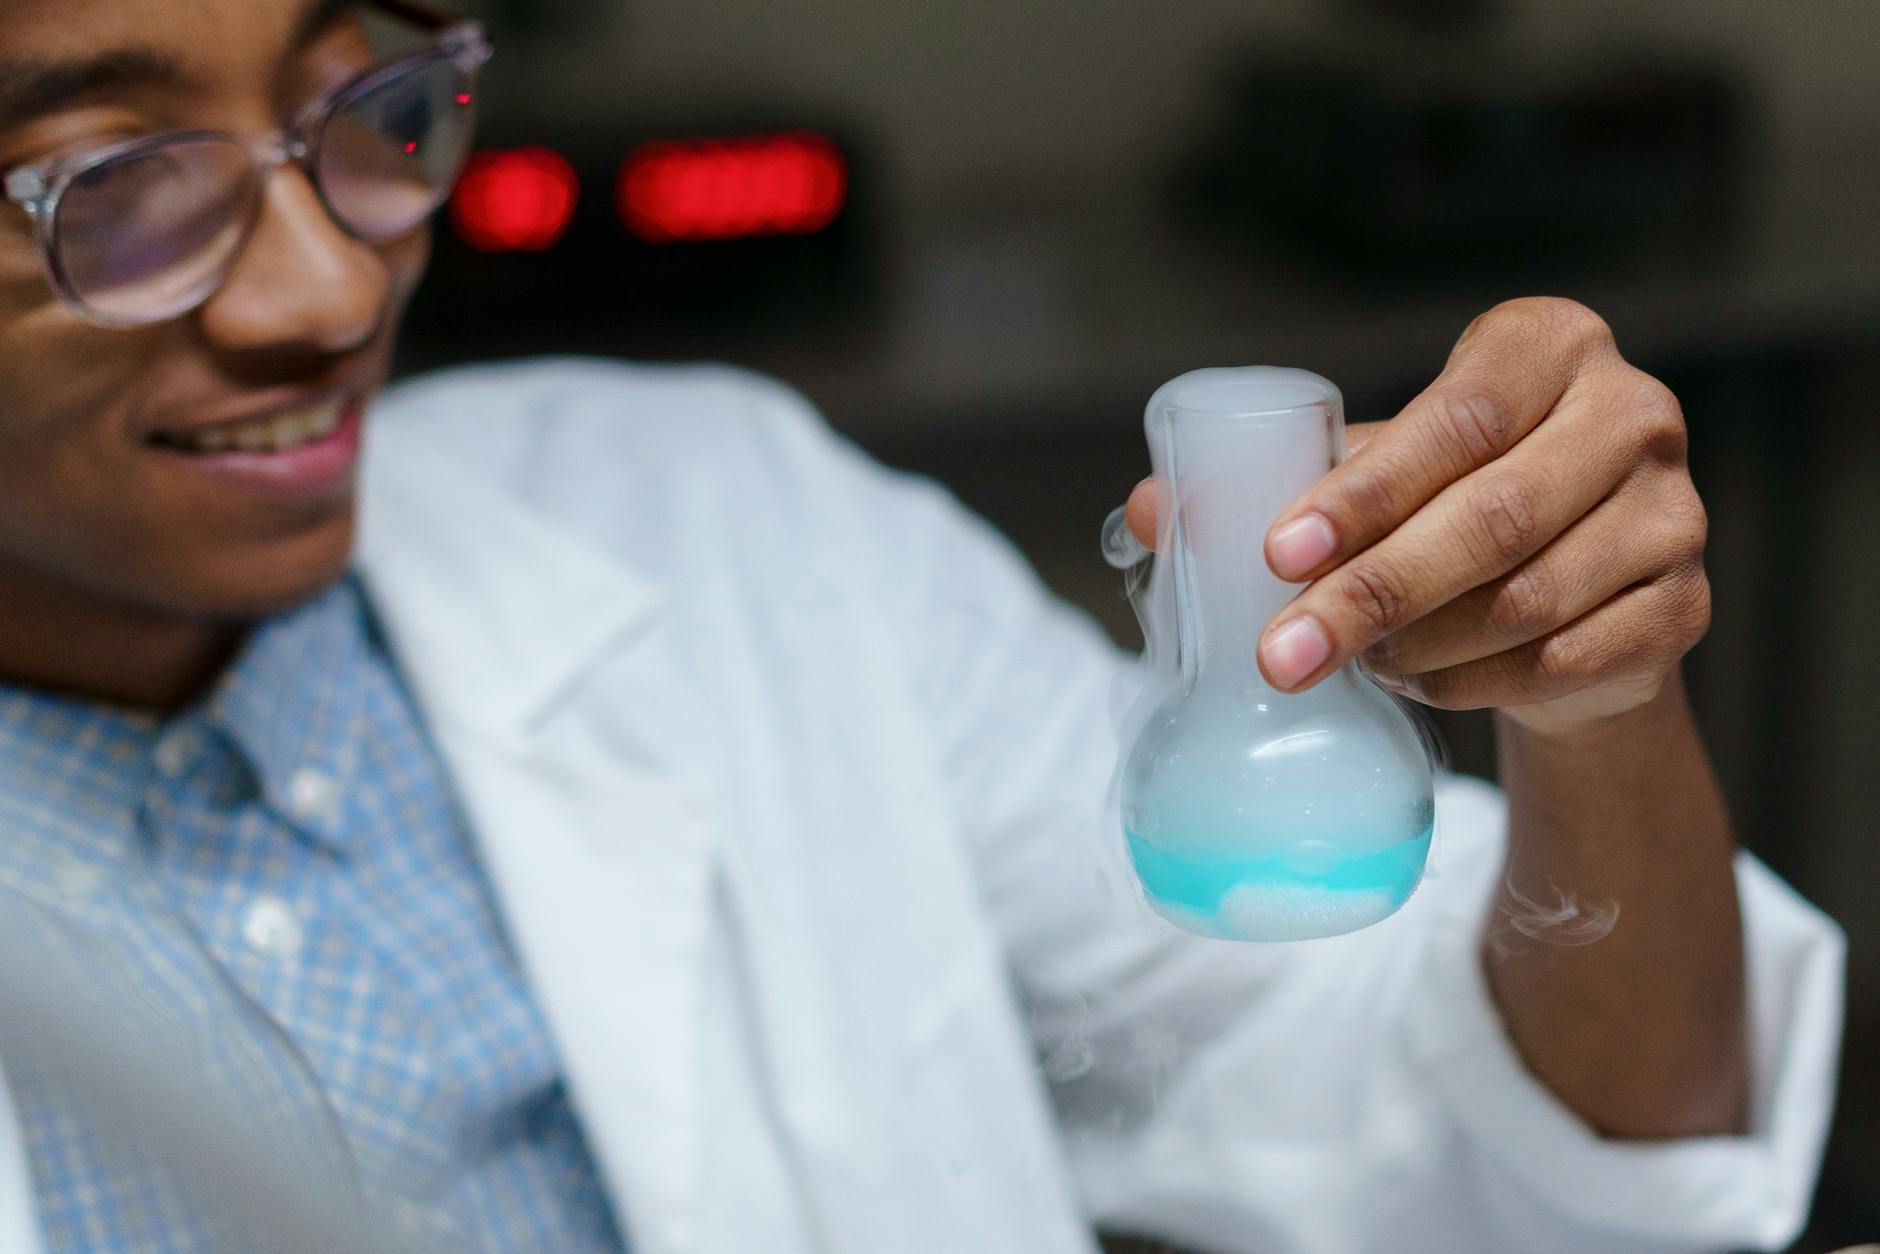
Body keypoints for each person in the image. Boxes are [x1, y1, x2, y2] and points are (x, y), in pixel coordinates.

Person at [0, 1, 1845, 1251]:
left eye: (363, 113)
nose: (328, 290)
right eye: (116, 187)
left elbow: (1591, 1137)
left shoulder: (726, 530)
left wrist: (1593, 718)